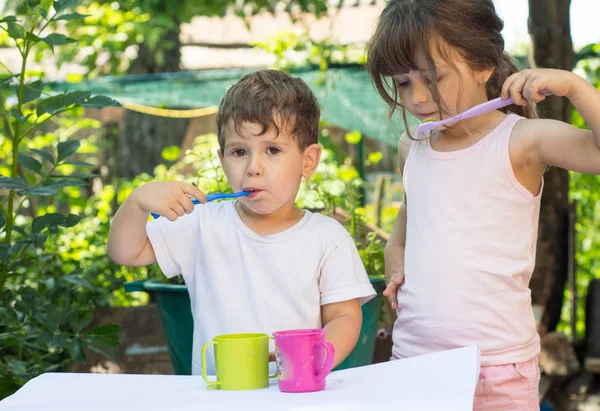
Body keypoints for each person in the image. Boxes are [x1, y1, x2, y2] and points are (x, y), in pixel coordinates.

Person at [366, 0, 600, 409]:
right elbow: (404, 233)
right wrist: (395, 260)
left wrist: (574, 86)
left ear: (483, 65)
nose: (418, 97)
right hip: (414, 362)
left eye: (434, 77)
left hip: (497, 368)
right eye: (403, 83)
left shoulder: (522, 140)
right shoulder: (412, 147)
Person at [107, 70, 376, 375]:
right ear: (223, 160)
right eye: (239, 152)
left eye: (272, 150)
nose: (253, 168)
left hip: (295, 394)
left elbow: (344, 317)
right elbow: (125, 252)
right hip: (219, 397)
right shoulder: (202, 224)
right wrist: (136, 202)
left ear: (308, 161)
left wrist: (311, 360)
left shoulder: (328, 238)